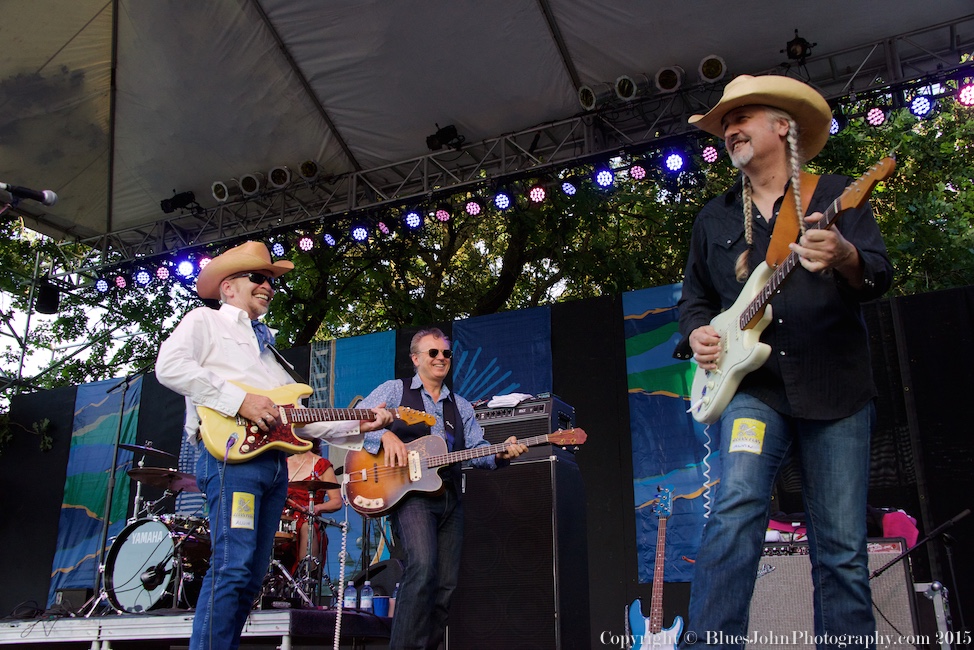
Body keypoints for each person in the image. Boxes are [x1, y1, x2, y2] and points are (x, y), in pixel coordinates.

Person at [674, 75, 893, 648]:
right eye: (725, 123)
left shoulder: (836, 196)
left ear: (783, 127)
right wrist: (697, 331)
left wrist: (845, 255)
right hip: (754, 389)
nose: (730, 129)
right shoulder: (714, 219)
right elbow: (695, 299)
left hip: (836, 386)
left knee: (842, 547)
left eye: (742, 116)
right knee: (734, 511)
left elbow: (877, 276)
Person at [155, 241, 392, 650]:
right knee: (232, 567)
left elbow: (304, 421)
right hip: (233, 458)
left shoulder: (273, 357)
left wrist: (362, 424)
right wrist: (240, 400)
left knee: (250, 573)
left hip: (273, 466)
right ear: (228, 287)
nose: (268, 286)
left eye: (271, 280)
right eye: (259, 277)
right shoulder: (204, 322)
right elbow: (169, 367)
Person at [356, 327, 527, 650]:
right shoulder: (395, 390)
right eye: (433, 352)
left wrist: (501, 452)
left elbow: (478, 451)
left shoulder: (460, 407)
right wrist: (385, 435)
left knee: (446, 586)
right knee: (421, 567)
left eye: (445, 353)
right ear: (415, 359)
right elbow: (356, 420)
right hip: (410, 496)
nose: (440, 358)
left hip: (449, 495)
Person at [285, 444, 342, 572]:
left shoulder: (322, 465)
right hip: (284, 522)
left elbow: (337, 502)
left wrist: (316, 508)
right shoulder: (283, 463)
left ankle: (305, 580)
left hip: (307, 521)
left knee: (307, 527)